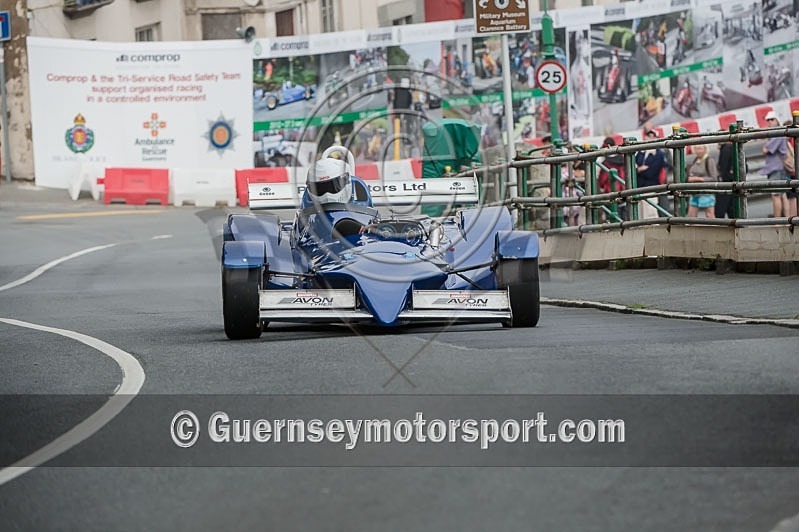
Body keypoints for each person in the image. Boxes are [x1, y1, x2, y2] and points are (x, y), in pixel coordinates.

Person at [761, 111, 789, 217]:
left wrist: (765, 147)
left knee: (776, 195)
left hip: (775, 167)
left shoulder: (777, 134)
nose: (769, 122)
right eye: (768, 120)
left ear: (777, 120)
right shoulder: (778, 133)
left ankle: (777, 221)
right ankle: (786, 220)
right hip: (778, 167)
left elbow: (765, 149)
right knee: (782, 195)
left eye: (772, 119)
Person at [635, 128, 667, 218]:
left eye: (652, 136)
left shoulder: (659, 154)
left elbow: (651, 173)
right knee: (640, 212)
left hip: (651, 187)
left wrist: (638, 169)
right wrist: (640, 169)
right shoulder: (640, 152)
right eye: (648, 136)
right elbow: (632, 168)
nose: (649, 138)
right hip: (639, 186)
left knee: (650, 212)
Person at [597, 136, 626, 220]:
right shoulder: (624, 160)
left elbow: (602, 181)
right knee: (626, 219)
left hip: (611, 193)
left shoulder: (606, 163)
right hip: (625, 192)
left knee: (612, 218)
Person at [686, 144, 718, 218]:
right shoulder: (695, 160)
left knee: (709, 214)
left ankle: (713, 229)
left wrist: (699, 179)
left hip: (706, 192)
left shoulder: (709, 160)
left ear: (705, 149)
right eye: (696, 149)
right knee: (691, 215)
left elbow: (714, 178)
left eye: (700, 149)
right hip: (695, 192)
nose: (698, 151)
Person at [715, 141, 738, 218]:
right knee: (732, 208)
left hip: (726, 182)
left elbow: (723, 167)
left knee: (720, 209)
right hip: (734, 181)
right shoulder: (734, 148)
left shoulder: (725, 149)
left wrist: (722, 178)